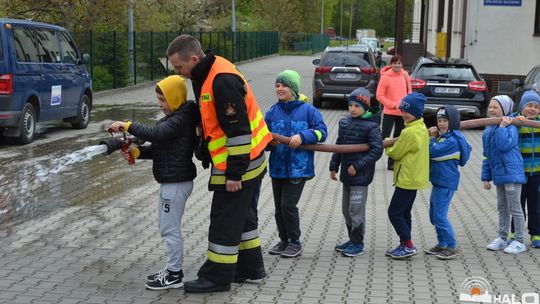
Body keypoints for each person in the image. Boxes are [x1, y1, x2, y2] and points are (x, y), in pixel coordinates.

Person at [166, 34, 273, 292]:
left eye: (180, 68)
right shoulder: (210, 70)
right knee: (243, 219)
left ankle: (216, 277)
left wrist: (234, 174)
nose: (180, 74)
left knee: (224, 222)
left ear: (193, 58)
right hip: (248, 161)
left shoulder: (221, 79)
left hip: (239, 167)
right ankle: (251, 268)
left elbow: (238, 131)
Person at [109, 75, 199, 290]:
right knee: (166, 226)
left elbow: (156, 134)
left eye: (163, 100)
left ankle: (174, 274)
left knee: (169, 229)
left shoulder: (180, 119)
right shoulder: (177, 117)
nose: (160, 105)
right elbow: (161, 148)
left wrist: (127, 125)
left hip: (176, 183)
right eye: (159, 100)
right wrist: (137, 152)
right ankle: (171, 270)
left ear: (175, 97)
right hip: (171, 182)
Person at [265, 69, 327, 258]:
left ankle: (295, 242)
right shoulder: (272, 112)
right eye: (277, 85)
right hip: (277, 168)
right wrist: (269, 143)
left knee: (288, 206)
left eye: (283, 85)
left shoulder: (308, 110)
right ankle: (283, 240)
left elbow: (322, 131)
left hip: (298, 169)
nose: (279, 88)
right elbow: (263, 138)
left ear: (293, 88)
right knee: (278, 208)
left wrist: (303, 136)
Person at [329, 88, 383, 257]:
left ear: (365, 107)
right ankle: (352, 239)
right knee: (346, 210)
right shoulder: (344, 122)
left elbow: (377, 150)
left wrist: (358, 166)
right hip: (346, 175)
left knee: (356, 210)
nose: (352, 109)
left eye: (357, 106)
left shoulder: (372, 126)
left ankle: (358, 243)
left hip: (360, 176)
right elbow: (339, 145)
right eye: (350, 105)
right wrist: (333, 165)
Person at [384, 92, 429, 260]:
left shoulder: (409, 132)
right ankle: (404, 243)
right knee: (404, 212)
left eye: (406, 112)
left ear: (416, 112)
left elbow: (396, 153)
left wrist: (387, 144)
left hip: (407, 178)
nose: (403, 114)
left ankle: (408, 245)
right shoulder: (421, 127)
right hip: (415, 177)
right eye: (402, 111)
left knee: (394, 212)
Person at [425, 105, 471, 260]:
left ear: (453, 122)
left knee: (440, 217)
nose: (442, 124)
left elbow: (432, 151)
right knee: (433, 215)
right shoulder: (443, 136)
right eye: (439, 120)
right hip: (438, 182)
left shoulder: (451, 140)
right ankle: (442, 243)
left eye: (445, 120)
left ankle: (451, 246)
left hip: (446, 183)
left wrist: (431, 138)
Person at [482, 95, 527, 254]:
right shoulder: (488, 129)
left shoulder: (511, 126)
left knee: (515, 208)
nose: (491, 109)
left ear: (505, 110)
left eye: (496, 107)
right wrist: (485, 177)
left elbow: (503, 146)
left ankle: (519, 240)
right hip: (499, 176)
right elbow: (487, 155)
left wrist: (502, 127)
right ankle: (502, 237)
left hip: (511, 175)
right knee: (502, 208)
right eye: (490, 106)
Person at [511, 90, 540, 247]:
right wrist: (517, 123)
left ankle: (536, 234)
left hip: (537, 172)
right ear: (522, 107)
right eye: (529, 105)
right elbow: (508, 134)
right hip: (519, 172)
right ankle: (515, 231)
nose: (532, 109)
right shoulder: (516, 121)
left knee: (536, 206)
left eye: (536, 106)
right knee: (517, 204)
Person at [376, 54, 412, 171]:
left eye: (399, 63)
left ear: (402, 64)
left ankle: (391, 162)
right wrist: (393, 104)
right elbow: (379, 95)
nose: (397, 65)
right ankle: (371, 159)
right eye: (395, 63)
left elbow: (409, 91)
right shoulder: (385, 77)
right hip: (389, 112)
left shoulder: (405, 75)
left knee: (398, 138)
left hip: (403, 113)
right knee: (384, 137)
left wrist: (407, 106)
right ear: (391, 64)